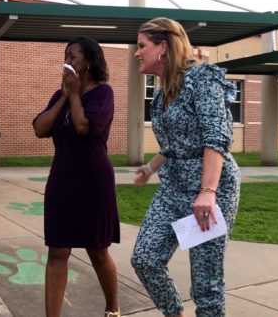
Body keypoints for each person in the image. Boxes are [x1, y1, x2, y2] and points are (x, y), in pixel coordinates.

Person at [131, 17, 241, 317]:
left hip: (210, 190)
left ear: (163, 47)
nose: (137, 53)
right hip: (173, 187)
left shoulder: (202, 79)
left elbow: (215, 138)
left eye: (142, 45)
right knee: (145, 258)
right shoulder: (161, 92)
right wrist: (150, 168)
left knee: (205, 284)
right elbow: (173, 145)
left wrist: (208, 191)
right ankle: (174, 313)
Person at [33, 36, 121, 317]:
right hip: (62, 181)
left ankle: (112, 309)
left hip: (94, 182)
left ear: (90, 61)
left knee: (97, 251)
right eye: (66, 56)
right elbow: (40, 128)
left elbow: (84, 127)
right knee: (57, 251)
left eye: (73, 56)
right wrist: (63, 96)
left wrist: (74, 95)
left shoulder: (103, 94)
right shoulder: (60, 95)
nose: (67, 61)